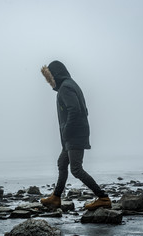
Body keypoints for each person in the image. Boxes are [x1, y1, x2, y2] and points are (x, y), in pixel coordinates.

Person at [40, 60, 111, 210]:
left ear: (56, 75)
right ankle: (56, 197)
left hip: (74, 134)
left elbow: (75, 110)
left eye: (50, 79)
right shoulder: (70, 85)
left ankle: (103, 197)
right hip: (74, 134)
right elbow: (83, 110)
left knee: (76, 169)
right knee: (62, 162)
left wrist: (67, 131)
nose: (50, 83)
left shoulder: (66, 87)